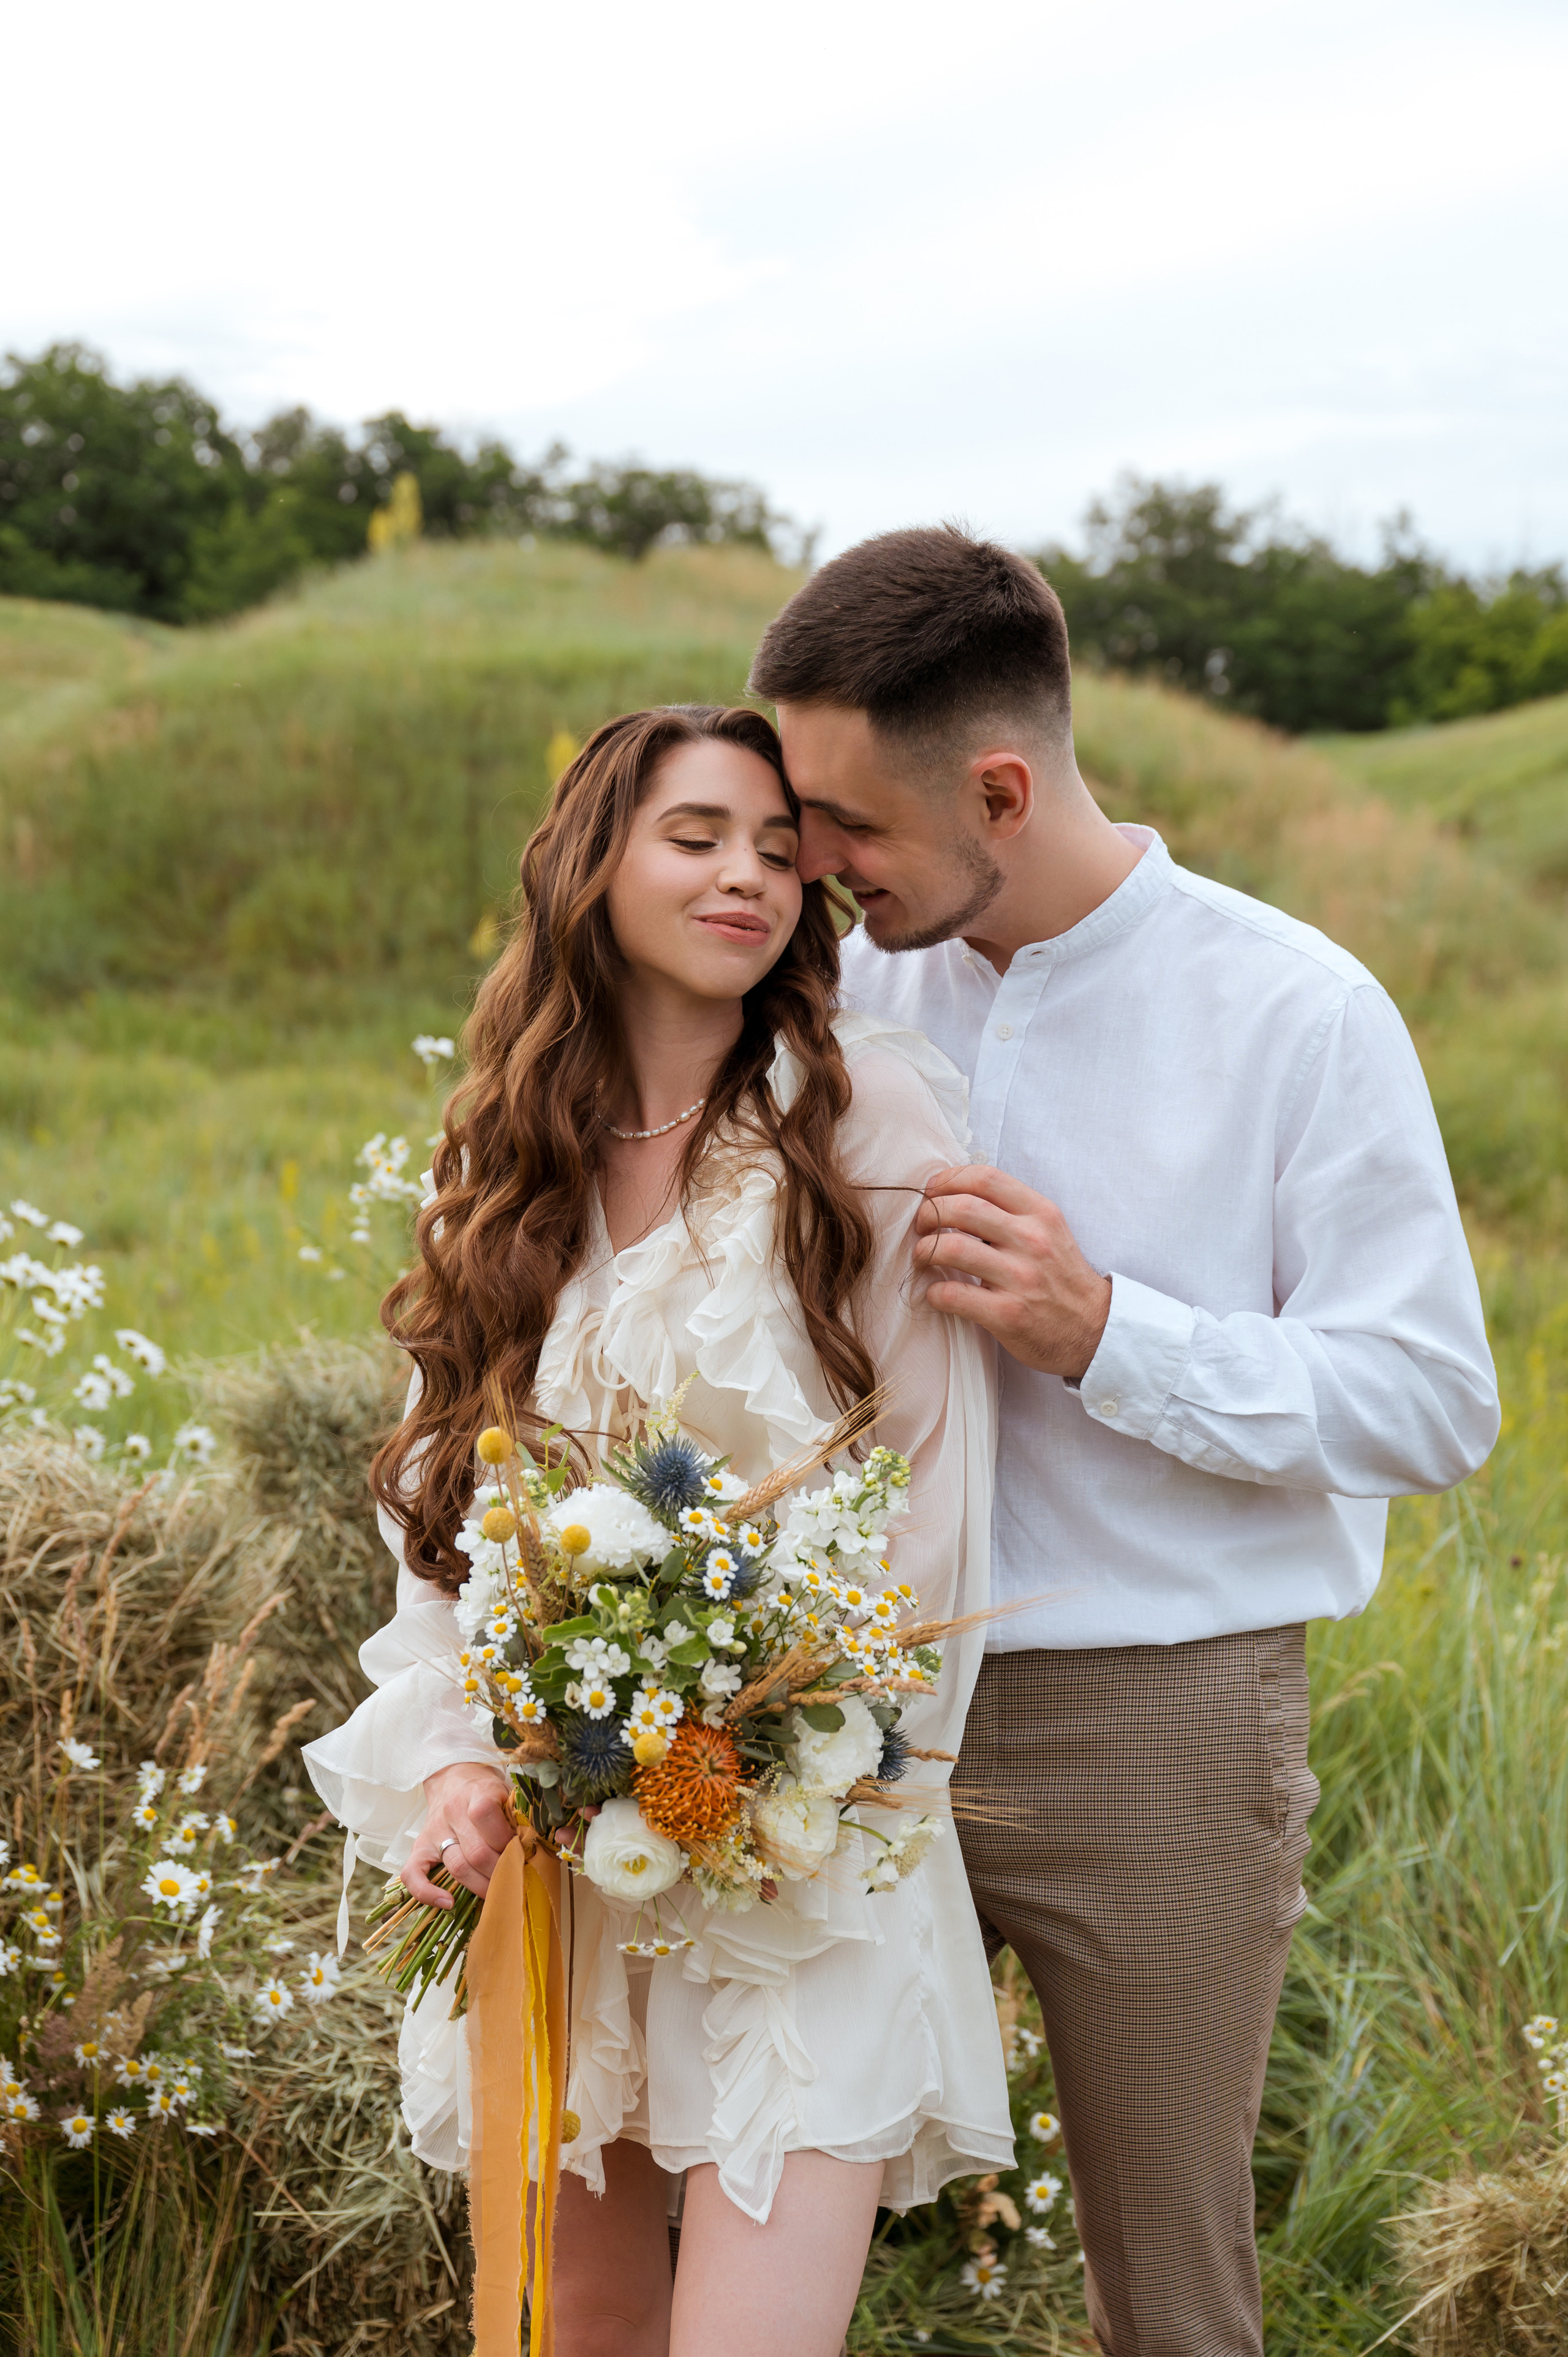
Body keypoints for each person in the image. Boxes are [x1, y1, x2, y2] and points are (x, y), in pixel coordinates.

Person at [749, 527, 1501, 2357]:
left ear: (998, 788)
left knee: (1170, 2292)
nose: (809, 867)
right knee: (756, 2229)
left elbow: (1432, 1399)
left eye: (846, 825)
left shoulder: (1297, 1011)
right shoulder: (836, 1002)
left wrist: (1110, 1335)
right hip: (832, 1713)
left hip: (1157, 1728)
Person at [302, 703, 1014, 2357]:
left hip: (803, 1851)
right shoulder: (499, 1156)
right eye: (696, 836)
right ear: (591, 865)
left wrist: (787, 1755)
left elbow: (926, 1510)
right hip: (572, 1861)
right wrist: (465, 1767)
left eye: (781, 849)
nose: (747, 877)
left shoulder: (874, 1120)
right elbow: (465, 1527)